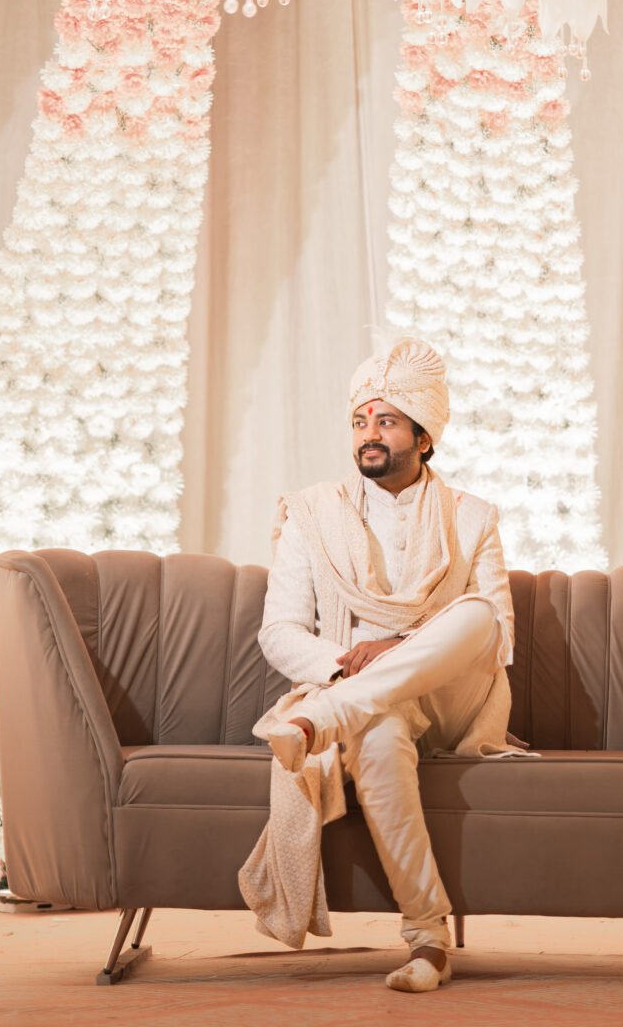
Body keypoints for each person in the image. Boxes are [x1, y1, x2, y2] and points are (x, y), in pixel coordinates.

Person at [242, 337, 516, 994]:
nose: (369, 435)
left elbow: (498, 637)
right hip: (358, 689)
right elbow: (278, 632)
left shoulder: (471, 517)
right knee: (380, 728)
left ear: (424, 439)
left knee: (476, 612)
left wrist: (396, 649)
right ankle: (429, 941)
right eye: (362, 422)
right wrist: (345, 663)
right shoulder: (311, 515)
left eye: (387, 422)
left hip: (452, 696)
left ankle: (323, 720)